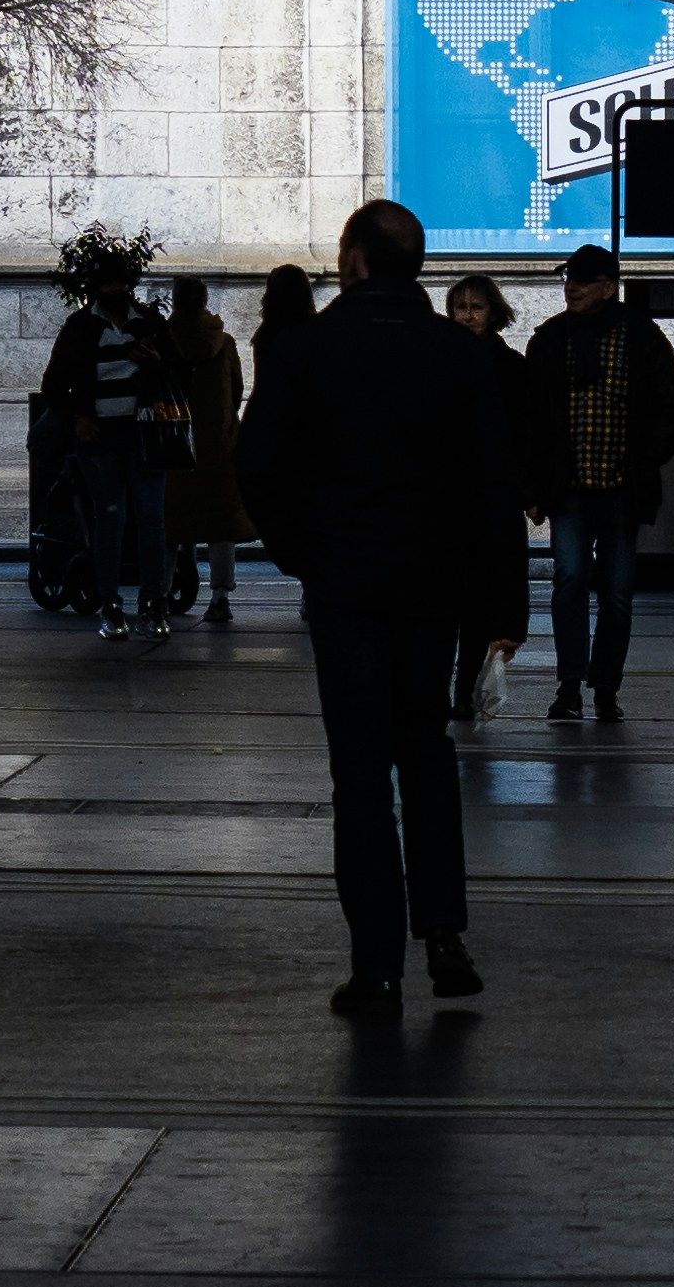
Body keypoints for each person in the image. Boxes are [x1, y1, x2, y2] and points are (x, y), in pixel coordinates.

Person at [238, 198, 508, 1014]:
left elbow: (256, 467)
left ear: (354, 259)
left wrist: (304, 555)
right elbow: (492, 490)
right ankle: (446, 932)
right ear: (418, 267)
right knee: (425, 750)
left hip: (348, 587)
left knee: (359, 773)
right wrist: (500, 610)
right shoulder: (460, 358)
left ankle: (377, 966)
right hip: (434, 590)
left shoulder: (306, 349)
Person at [519, 243, 674, 724]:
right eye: (568, 278)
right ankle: (571, 685)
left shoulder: (640, 337)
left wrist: (645, 458)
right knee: (570, 582)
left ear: (608, 288)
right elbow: (531, 420)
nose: (569, 286)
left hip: (620, 488)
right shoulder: (551, 340)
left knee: (615, 595)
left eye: (581, 279)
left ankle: (604, 688)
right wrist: (531, 488)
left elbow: (673, 407)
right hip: (570, 490)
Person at [35, 231, 189, 643]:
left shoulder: (149, 323)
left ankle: (154, 603)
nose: (116, 290)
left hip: (145, 436)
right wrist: (77, 419)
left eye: (121, 283)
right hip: (99, 436)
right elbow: (53, 385)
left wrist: (156, 363)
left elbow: (182, 374)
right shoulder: (82, 328)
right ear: (96, 288)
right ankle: (111, 605)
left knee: (151, 520)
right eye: (109, 284)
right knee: (110, 518)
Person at [438, 272, 538, 719]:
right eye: (460, 307)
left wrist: (528, 490)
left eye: (476, 307)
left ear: (494, 313)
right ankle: (442, 691)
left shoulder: (513, 369)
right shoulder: (437, 362)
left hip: (491, 497)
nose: (467, 316)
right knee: (446, 601)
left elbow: (525, 435)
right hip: (449, 496)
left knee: (477, 604)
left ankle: (461, 693)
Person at [165, 274, 254, 626]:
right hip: (217, 443)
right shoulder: (225, 342)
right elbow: (236, 390)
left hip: (174, 442)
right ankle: (220, 598)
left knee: (172, 522)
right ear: (204, 301)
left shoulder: (165, 341)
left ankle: (163, 594)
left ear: (175, 301)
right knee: (220, 525)